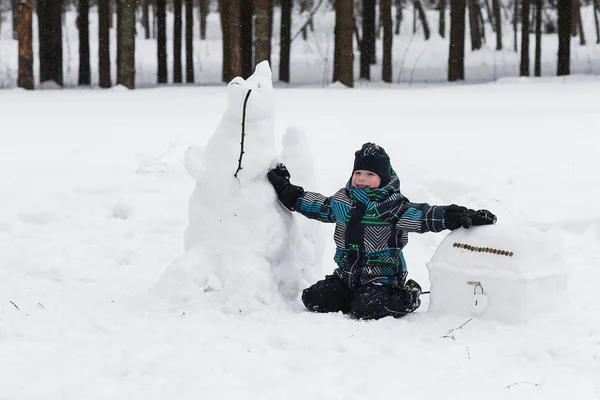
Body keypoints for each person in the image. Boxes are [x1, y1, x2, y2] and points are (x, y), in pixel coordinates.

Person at [267, 143, 496, 320]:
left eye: (370, 175)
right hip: (347, 277)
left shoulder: (392, 208)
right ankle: (355, 297)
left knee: (366, 308)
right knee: (313, 299)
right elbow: (317, 206)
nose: (362, 179)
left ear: (382, 178)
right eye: (358, 173)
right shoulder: (342, 202)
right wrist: (289, 192)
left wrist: (458, 215)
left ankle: (409, 294)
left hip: (382, 279)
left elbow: (425, 216)